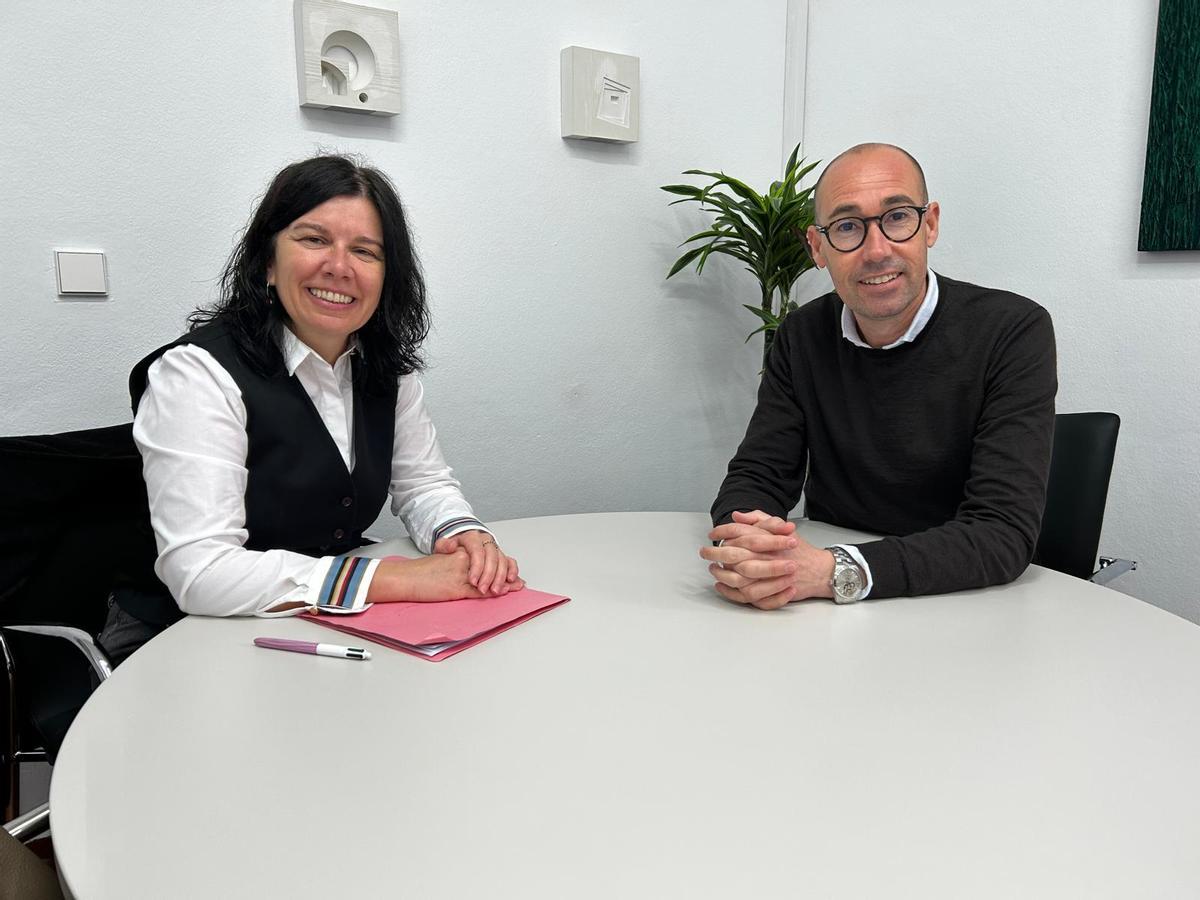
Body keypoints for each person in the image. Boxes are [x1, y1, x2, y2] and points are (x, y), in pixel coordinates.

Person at [98, 154, 522, 662]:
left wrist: (462, 535)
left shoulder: (386, 369)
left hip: (321, 622)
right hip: (181, 636)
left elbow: (423, 483)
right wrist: (398, 578)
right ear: (267, 263)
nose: (339, 267)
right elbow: (202, 573)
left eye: (365, 251)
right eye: (314, 239)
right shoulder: (196, 374)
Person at [700, 142, 1057, 609]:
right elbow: (760, 472)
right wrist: (749, 547)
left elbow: (1002, 531)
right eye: (847, 227)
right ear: (817, 247)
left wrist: (833, 571)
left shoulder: (1012, 330)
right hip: (826, 611)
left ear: (929, 225)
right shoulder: (802, 334)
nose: (876, 250)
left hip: (965, 604)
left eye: (897, 218)